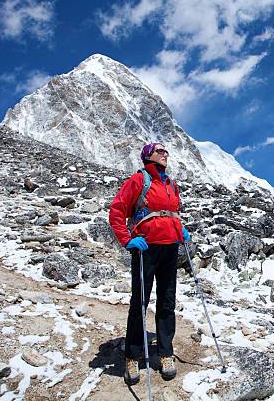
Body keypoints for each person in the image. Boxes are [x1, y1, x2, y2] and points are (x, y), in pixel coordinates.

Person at [108, 142, 191, 385]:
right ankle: (132, 355)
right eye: (160, 151)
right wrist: (128, 239)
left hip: (170, 247)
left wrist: (181, 230)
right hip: (146, 249)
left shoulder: (171, 184)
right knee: (140, 302)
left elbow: (171, 213)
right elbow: (117, 211)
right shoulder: (138, 181)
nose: (165, 154)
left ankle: (165, 352)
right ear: (148, 156)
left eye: (166, 152)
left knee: (167, 301)